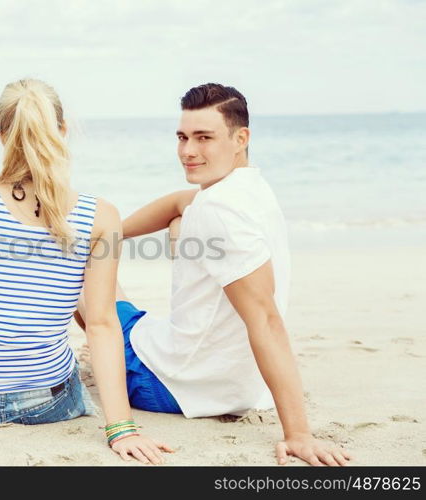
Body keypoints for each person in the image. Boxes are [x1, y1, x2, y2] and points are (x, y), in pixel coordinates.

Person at [75, 83, 353, 467]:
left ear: (241, 138)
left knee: (75, 264)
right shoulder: (250, 187)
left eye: (204, 138)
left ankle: (101, 354)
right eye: (182, 137)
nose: (188, 151)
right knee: (173, 220)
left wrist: (299, 435)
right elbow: (176, 202)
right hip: (236, 387)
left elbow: (266, 321)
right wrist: (113, 232)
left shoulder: (219, 211)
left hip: (168, 385)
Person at [0, 78, 173, 465]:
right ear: (63, 131)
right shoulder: (101, 214)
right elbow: (102, 324)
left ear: (2, 134)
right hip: (49, 405)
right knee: (89, 300)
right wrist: (122, 429)